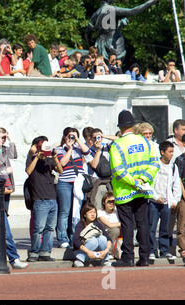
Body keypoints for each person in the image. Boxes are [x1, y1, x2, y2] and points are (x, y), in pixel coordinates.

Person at [110, 110, 160, 267]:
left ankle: (128, 257)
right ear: (132, 125)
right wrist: (143, 179)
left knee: (127, 224)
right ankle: (145, 257)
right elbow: (154, 164)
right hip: (143, 190)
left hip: (125, 191)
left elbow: (117, 170)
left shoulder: (117, 144)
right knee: (143, 223)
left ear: (121, 127)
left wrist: (132, 181)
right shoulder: (145, 142)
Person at [26, 137, 63, 262]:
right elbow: (29, 171)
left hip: (52, 198)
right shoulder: (32, 159)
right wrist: (37, 156)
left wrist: (55, 158)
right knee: (39, 228)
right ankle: (34, 252)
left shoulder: (49, 160)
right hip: (40, 199)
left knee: (50, 228)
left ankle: (45, 252)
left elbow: (61, 170)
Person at [55, 127, 91, 248]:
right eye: (70, 136)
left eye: (74, 136)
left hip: (78, 183)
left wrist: (77, 140)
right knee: (65, 211)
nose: (72, 138)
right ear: (65, 137)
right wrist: (69, 149)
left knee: (77, 212)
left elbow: (87, 152)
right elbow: (63, 163)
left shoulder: (79, 148)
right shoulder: (59, 149)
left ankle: (74, 237)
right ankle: (62, 238)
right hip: (65, 183)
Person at [148, 140, 181, 261]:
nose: (172, 154)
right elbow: (150, 183)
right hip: (153, 202)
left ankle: (164, 250)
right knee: (151, 227)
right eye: (169, 151)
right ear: (162, 152)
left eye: (173, 151)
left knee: (165, 228)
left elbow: (176, 184)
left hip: (167, 202)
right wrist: (156, 197)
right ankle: (151, 250)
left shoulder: (173, 166)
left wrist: (175, 200)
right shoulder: (154, 165)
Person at [72, 203, 112, 267]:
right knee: (93, 240)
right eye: (90, 212)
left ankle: (105, 260)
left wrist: (105, 252)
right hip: (82, 252)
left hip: (95, 253)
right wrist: (88, 252)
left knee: (103, 238)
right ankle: (79, 260)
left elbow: (109, 239)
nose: (93, 214)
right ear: (84, 214)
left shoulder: (98, 224)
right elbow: (75, 240)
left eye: (94, 212)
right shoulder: (80, 225)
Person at [0, 127, 17, 213]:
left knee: (5, 211)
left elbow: (14, 156)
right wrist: (4, 171)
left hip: (7, 184)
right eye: (1, 137)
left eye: (5, 138)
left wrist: (11, 140)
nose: (3, 140)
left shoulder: (5, 149)